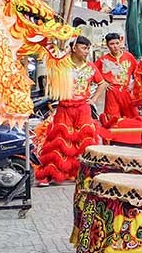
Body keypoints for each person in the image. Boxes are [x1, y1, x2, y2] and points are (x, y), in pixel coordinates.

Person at [34, 36, 106, 185]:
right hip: (64, 107)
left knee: (85, 140)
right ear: (74, 48)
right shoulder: (62, 65)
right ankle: (50, 174)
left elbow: (102, 83)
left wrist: (93, 99)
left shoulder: (91, 67)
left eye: (88, 48)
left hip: (82, 108)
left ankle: (84, 174)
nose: (86, 51)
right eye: (84, 48)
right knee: (58, 140)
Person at [95, 32, 138, 129]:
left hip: (126, 91)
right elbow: (92, 72)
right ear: (107, 45)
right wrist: (103, 83)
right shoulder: (103, 60)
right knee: (112, 119)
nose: (115, 46)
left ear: (121, 42)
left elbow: (138, 73)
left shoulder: (129, 57)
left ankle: (130, 141)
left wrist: (133, 83)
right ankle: (114, 141)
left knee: (131, 117)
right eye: (112, 44)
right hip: (112, 92)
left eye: (117, 43)